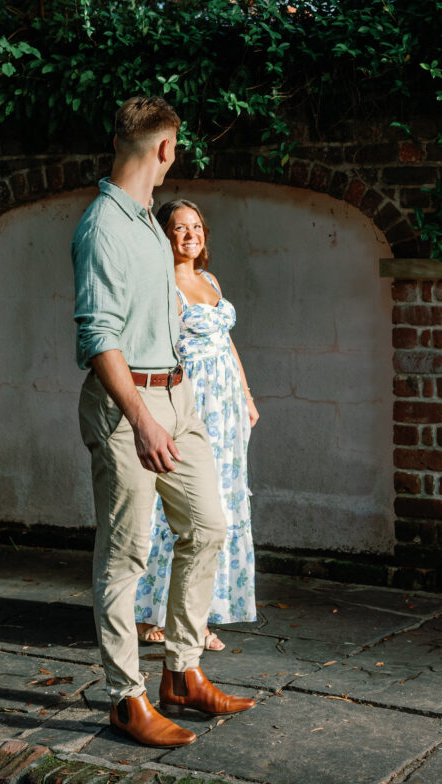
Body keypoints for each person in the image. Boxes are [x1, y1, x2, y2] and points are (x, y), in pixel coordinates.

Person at [71, 95, 255, 749]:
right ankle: (126, 698)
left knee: (207, 525)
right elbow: (98, 337)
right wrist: (144, 421)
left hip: (181, 402)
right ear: (165, 149)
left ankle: (180, 671)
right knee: (124, 555)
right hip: (132, 410)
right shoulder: (103, 227)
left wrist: (185, 406)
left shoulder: (148, 221)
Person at [135, 200, 259, 650]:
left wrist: (246, 396)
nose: (191, 235)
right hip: (189, 403)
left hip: (225, 409)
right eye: (179, 227)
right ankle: (161, 615)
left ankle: (201, 611)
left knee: (219, 505)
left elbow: (227, 344)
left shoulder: (209, 280)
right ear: (163, 235)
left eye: (197, 226)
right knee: (176, 508)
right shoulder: (161, 284)